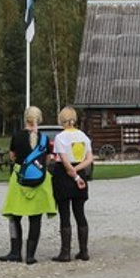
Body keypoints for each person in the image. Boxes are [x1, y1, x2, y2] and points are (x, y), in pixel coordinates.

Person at [1, 107, 56, 263]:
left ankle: (15, 252)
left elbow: (12, 157)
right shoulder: (44, 139)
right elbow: (47, 160)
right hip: (39, 182)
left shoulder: (17, 136)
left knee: (14, 216)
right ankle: (31, 255)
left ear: (25, 119)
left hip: (19, 180)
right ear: (39, 119)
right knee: (35, 218)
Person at [51, 106, 94, 261]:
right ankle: (84, 250)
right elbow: (89, 159)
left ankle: (65, 252)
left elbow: (64, 160)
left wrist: (72, 172)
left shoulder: (60, 137)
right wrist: (78, 171)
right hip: (80, 172)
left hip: (64, 175)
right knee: (80, 212)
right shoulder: (83, 136)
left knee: (65, 213)